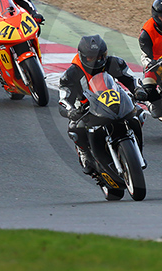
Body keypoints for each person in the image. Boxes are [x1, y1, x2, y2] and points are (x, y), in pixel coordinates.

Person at [58, 35, 148, 175]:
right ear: (82, 56)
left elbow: (131, 78)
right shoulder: (71, 73)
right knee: (74, 128)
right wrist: (71, 111)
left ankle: (135, 147)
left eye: (100, 57)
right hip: (86, 108)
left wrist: (138, 89)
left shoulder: (114, 62)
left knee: (139, 113)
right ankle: (84, 152)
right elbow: (63, 99)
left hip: (114, 100)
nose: (96, 61)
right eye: (91, 58)